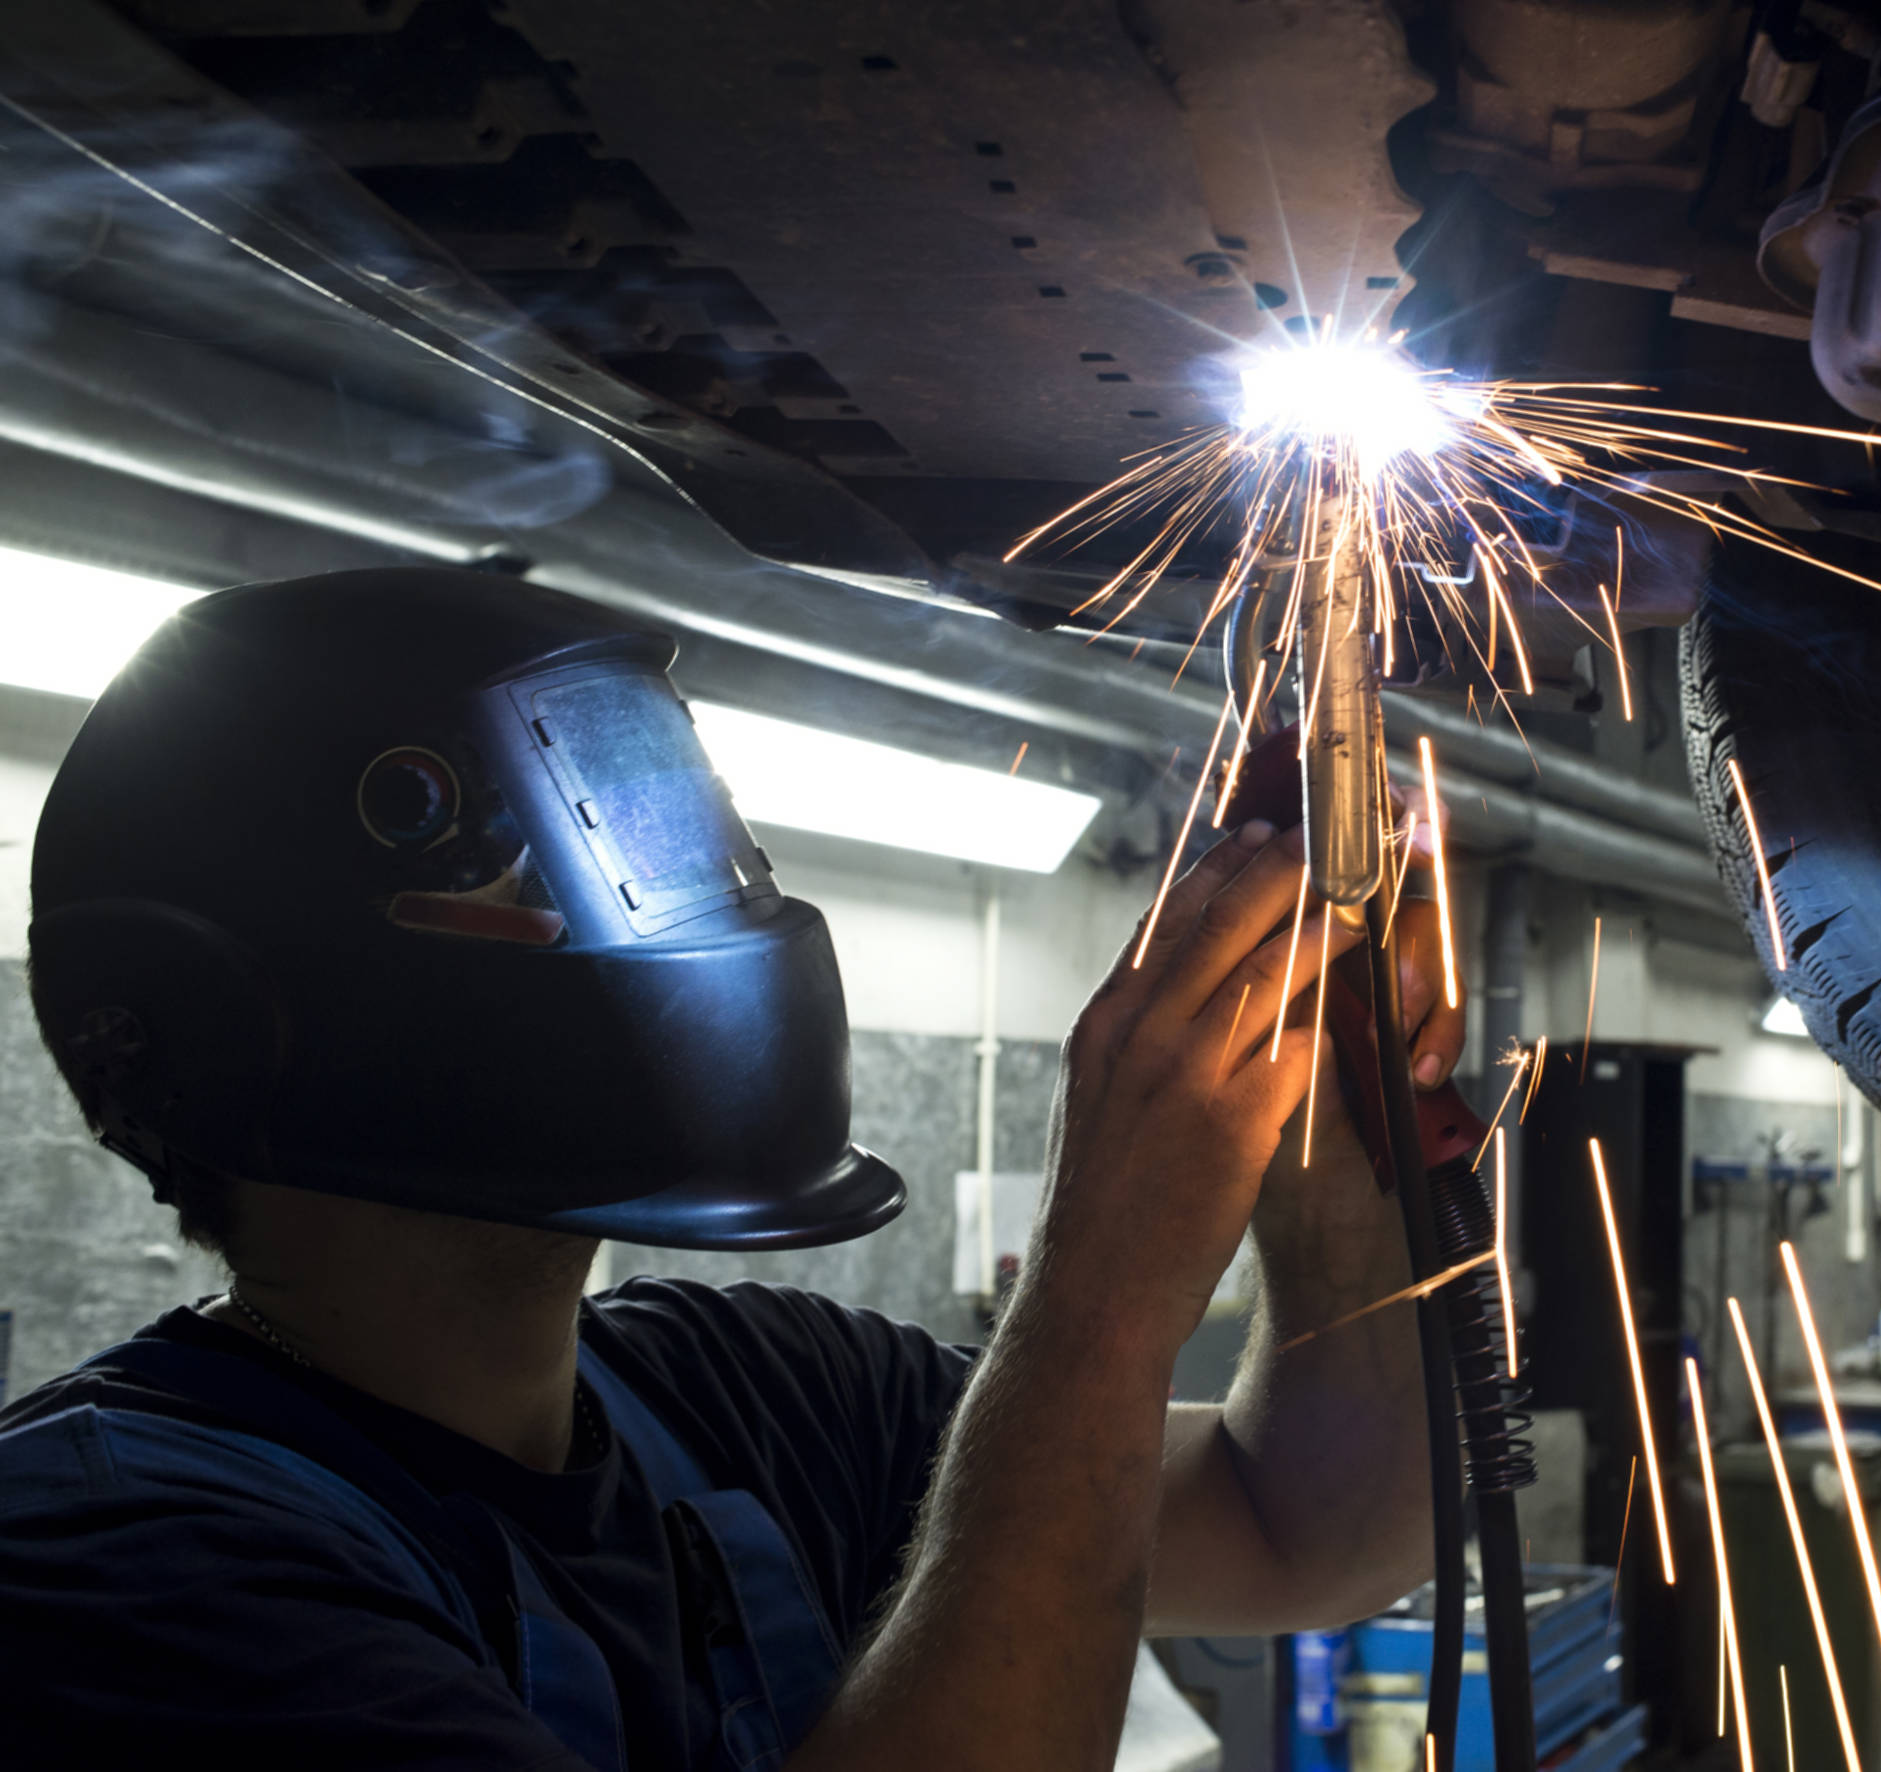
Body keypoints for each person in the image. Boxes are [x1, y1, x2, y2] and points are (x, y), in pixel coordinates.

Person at [0, 568, 1461, 1768]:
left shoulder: (750, 1396)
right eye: (551, 856)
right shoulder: (115, 1562)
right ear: (300, 973)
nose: (683, 898)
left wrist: (1322, 1162)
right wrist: (1109, 1280)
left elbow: (1310, 1532)